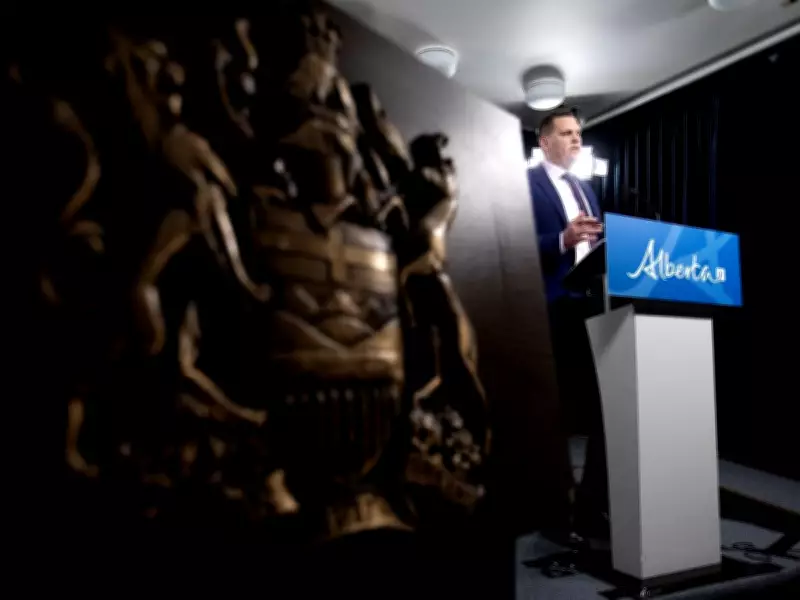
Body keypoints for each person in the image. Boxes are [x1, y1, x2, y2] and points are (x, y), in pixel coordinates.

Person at [527, 107, 609, 543]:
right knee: (553, 413)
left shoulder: (586, 189)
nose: (576, 139)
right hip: (551, 308)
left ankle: (593, 507)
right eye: (566, 133)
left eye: (578, 133)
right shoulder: (526, 184)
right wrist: (564, 238)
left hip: (592, 305)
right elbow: (515, 244)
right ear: (544, 141)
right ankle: (552, 513)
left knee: (605, 407)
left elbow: (592, 248)